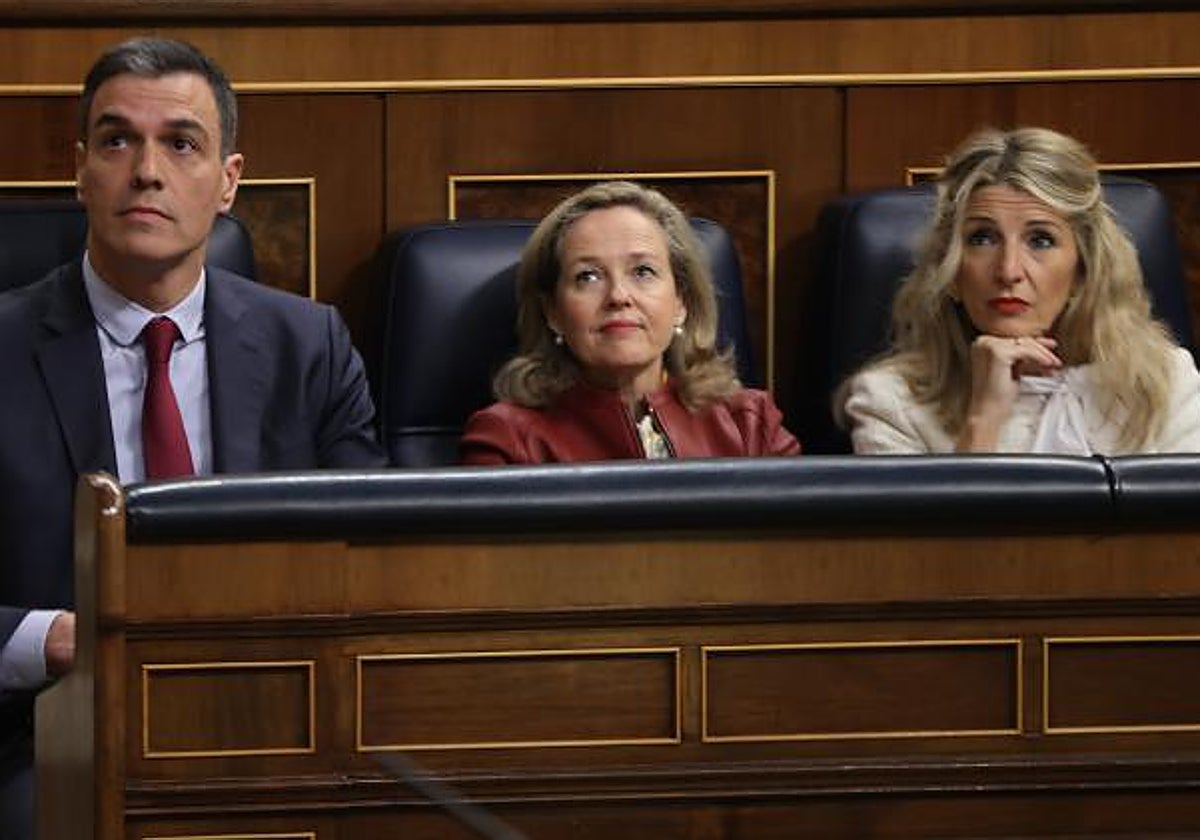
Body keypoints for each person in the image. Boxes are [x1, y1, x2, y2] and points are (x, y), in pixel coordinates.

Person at [0, 37, 385, 836]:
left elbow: (374, 561)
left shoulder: (309, 348)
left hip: (272, 717)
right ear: (80, 170)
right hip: (46, 736)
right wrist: (55, 640)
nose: (147, 170)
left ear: (227, 183)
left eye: (180, 143)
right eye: (117, 141)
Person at [841, 126, 1200, 455]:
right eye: (982, 238)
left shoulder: (1166, 383)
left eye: (1041, 240)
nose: (1009, 270)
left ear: (1083, 270)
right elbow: (932, 528)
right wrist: (983, 420)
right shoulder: (889, 403)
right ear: (949, 270)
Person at [459, 180, 799, 464]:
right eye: (588, 276)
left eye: (643, 271)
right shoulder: (508, 441)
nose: (619, 296)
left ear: (681, 302)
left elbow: (805, 544)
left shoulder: (750, 424)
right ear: (553, 313)